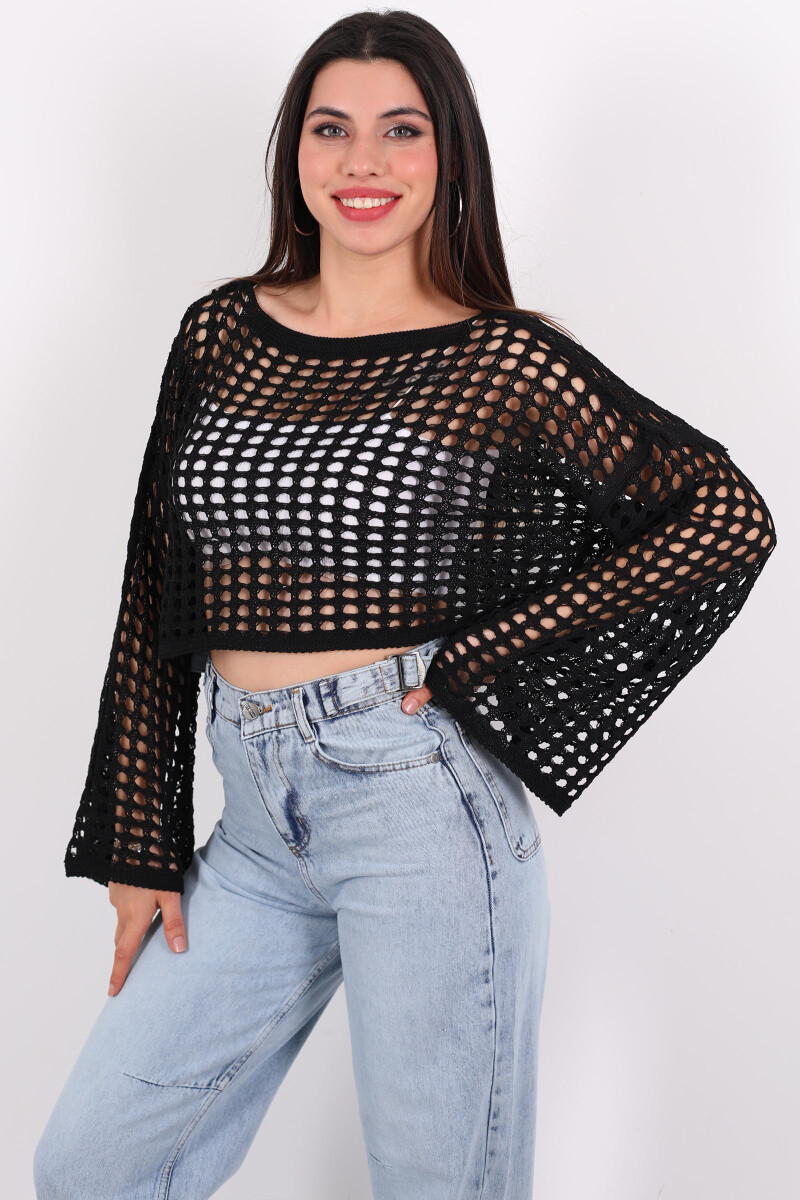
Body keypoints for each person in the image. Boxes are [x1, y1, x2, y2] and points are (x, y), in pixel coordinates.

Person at [33, 10, 776, 1200]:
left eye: (400, 130)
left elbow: (719, 517)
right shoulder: (221, 333)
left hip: (417, 807)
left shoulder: (498, 362)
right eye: (330, 129)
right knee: (89, 1165)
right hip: (252, 829)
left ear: (447, 155)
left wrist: (484, 656)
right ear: (295, 153)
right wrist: (140, 837)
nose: (362, 161)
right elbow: (156, 575)